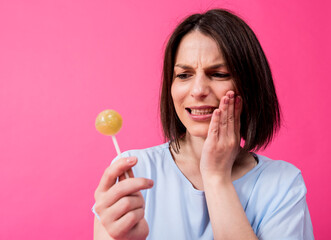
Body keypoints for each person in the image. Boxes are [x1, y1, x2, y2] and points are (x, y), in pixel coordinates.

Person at [92, 9, 314, 240]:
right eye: (184, 75)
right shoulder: (134, 172)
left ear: (249, 85)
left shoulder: (283, 184)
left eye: (218, 74)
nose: (198, 91)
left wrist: (216, 177)